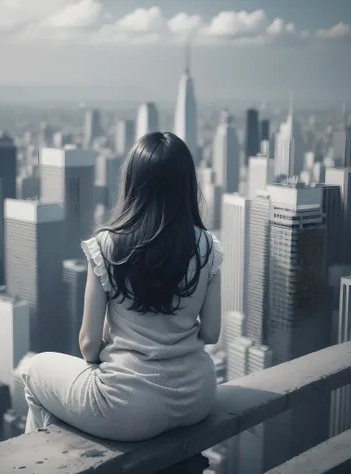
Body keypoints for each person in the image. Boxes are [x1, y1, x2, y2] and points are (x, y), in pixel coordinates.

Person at [22, 132, 223, 442]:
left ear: (132, 182)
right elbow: (211, 333)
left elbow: (88, 344)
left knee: (32, 371)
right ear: (186, 185)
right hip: (198, 397)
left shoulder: (107, 246)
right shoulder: (208, 247)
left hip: (128, 409)